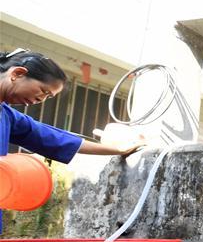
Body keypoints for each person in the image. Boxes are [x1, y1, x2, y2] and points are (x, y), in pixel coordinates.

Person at [0, 48, 143, 227]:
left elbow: (54, 138)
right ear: (17, 74)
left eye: (48, 97)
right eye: (43, 91)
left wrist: (118, 149)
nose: (41, 100)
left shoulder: (7, 116)